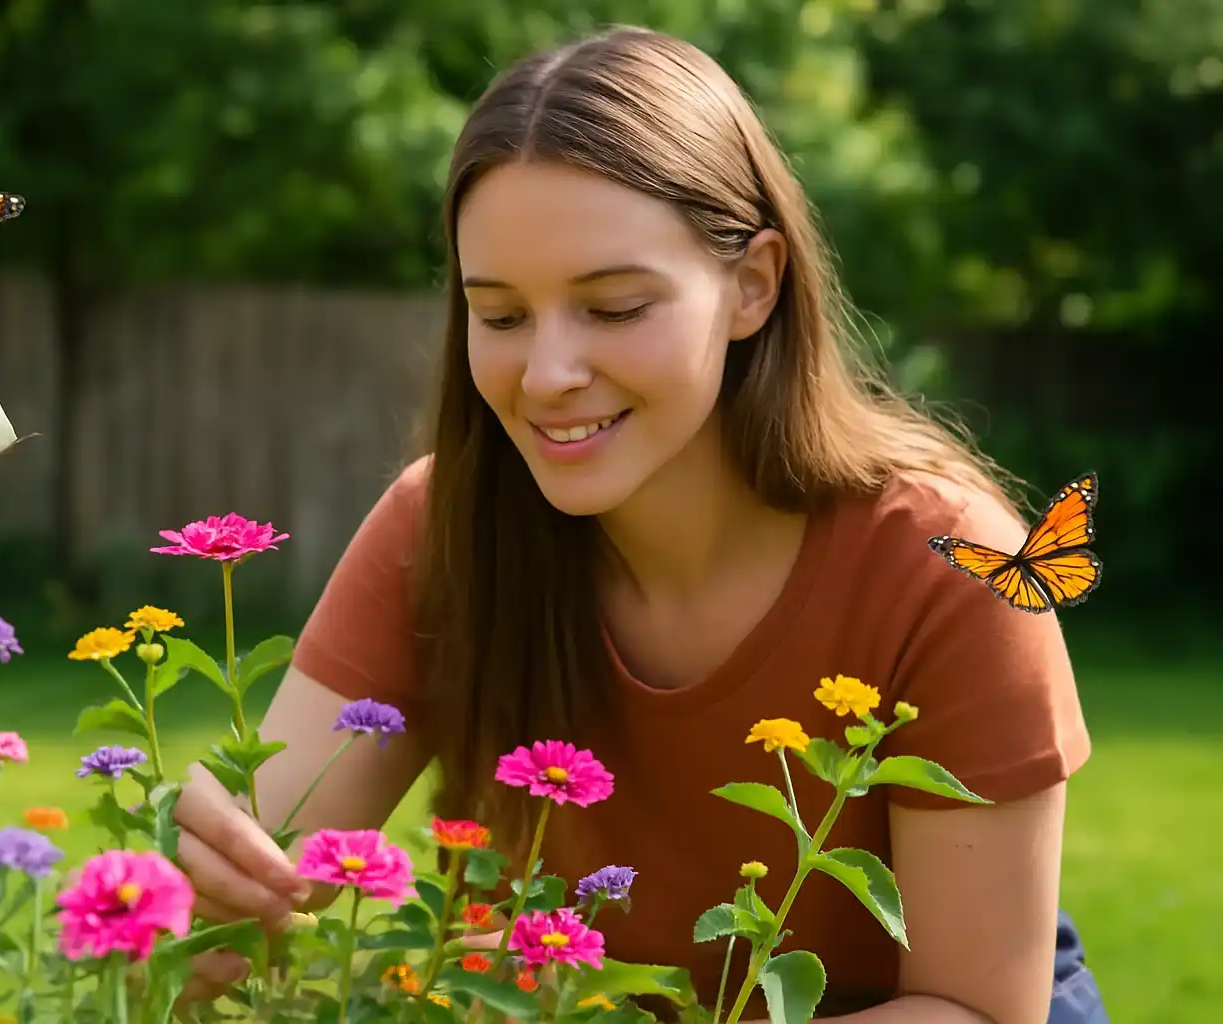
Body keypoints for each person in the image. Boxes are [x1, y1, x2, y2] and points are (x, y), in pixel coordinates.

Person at [172, 25, 1109, 1024]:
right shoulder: (443, 525)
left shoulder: (949, 565)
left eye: (614, 307)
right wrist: (209, 879)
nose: (547, 375)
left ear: (754, 285)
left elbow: (975, 1009)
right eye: (500, 316)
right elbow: (260, 867)